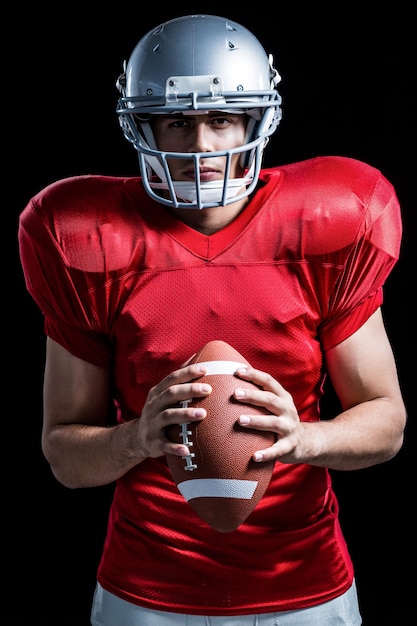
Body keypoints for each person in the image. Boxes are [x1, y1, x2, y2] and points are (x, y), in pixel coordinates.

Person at [18, 14, 406, 626]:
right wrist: (134, 439)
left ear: (258, 120)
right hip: (146, 591)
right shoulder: (85, 236)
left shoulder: (328, 221)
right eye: (177, 121)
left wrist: (306, 437)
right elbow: (65, 452)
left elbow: (387, 423)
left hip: (305, 585)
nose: (201, 147)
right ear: (141, 125)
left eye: (222, 119)